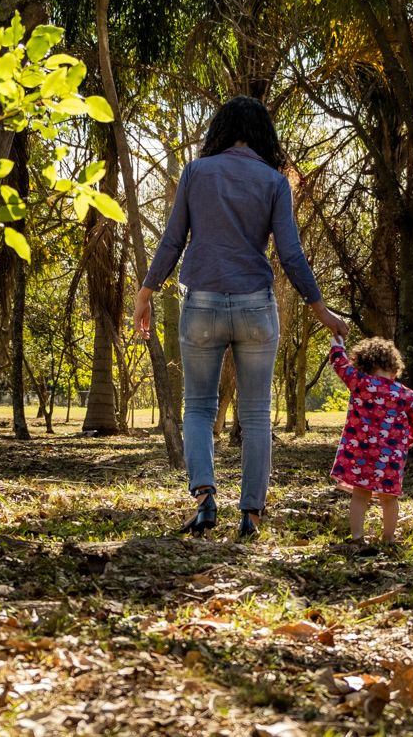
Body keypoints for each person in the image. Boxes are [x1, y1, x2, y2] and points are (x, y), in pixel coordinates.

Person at [133, 96, 348, 540]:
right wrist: (320, 308)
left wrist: (146, 292)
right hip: (255, 305)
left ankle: (206, 498)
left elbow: (173, 241)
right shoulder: (274, 181)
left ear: (222, 130)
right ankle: (250, 515)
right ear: (262, 134)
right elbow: (290, 253)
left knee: (198, 408)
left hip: (202, 305)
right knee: (255, 413)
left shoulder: (196, 172)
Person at [328, 335, 413, 544]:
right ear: (394, 366)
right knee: (389, 498)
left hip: (361, 453)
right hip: (390, 458)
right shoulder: (406, 395)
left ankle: (357, 537)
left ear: (364, 364)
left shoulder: (360, 382)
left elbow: (340, 365)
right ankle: (389, 538)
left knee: (360, 495)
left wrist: (337, 346)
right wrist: (410, 439)